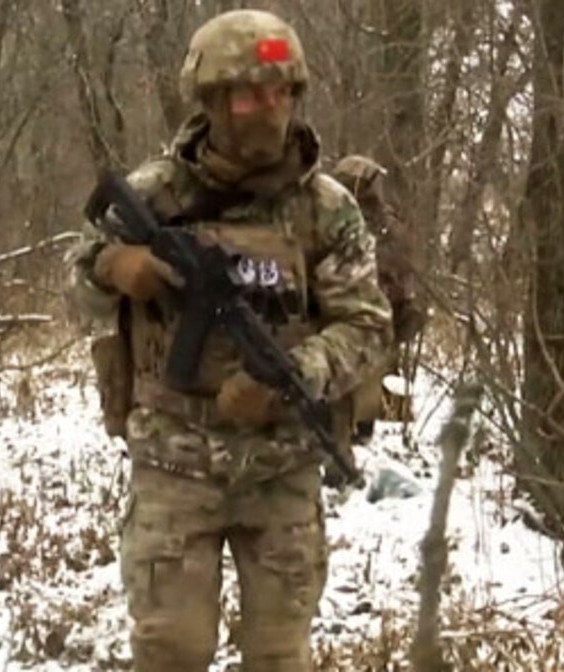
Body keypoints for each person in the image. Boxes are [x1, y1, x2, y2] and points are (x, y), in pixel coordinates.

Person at [66, 10, 392, 671]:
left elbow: (367, 326)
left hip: (282, 472)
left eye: (281, 93)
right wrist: (112, 268)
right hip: (172, 467)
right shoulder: (158, 193)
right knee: (170, 652)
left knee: (278, 656)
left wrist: (292, 373)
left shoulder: (326, 208)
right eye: (247, 94)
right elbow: (77, 283)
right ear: (212, 101)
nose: (266, 110)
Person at [330, 155, 427, 443]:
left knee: (359, 390)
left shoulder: (384, 225)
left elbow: (401, 270)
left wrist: (403, 306)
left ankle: (356, 435)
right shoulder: (328, 215)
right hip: (341, 317)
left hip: (371, 319)